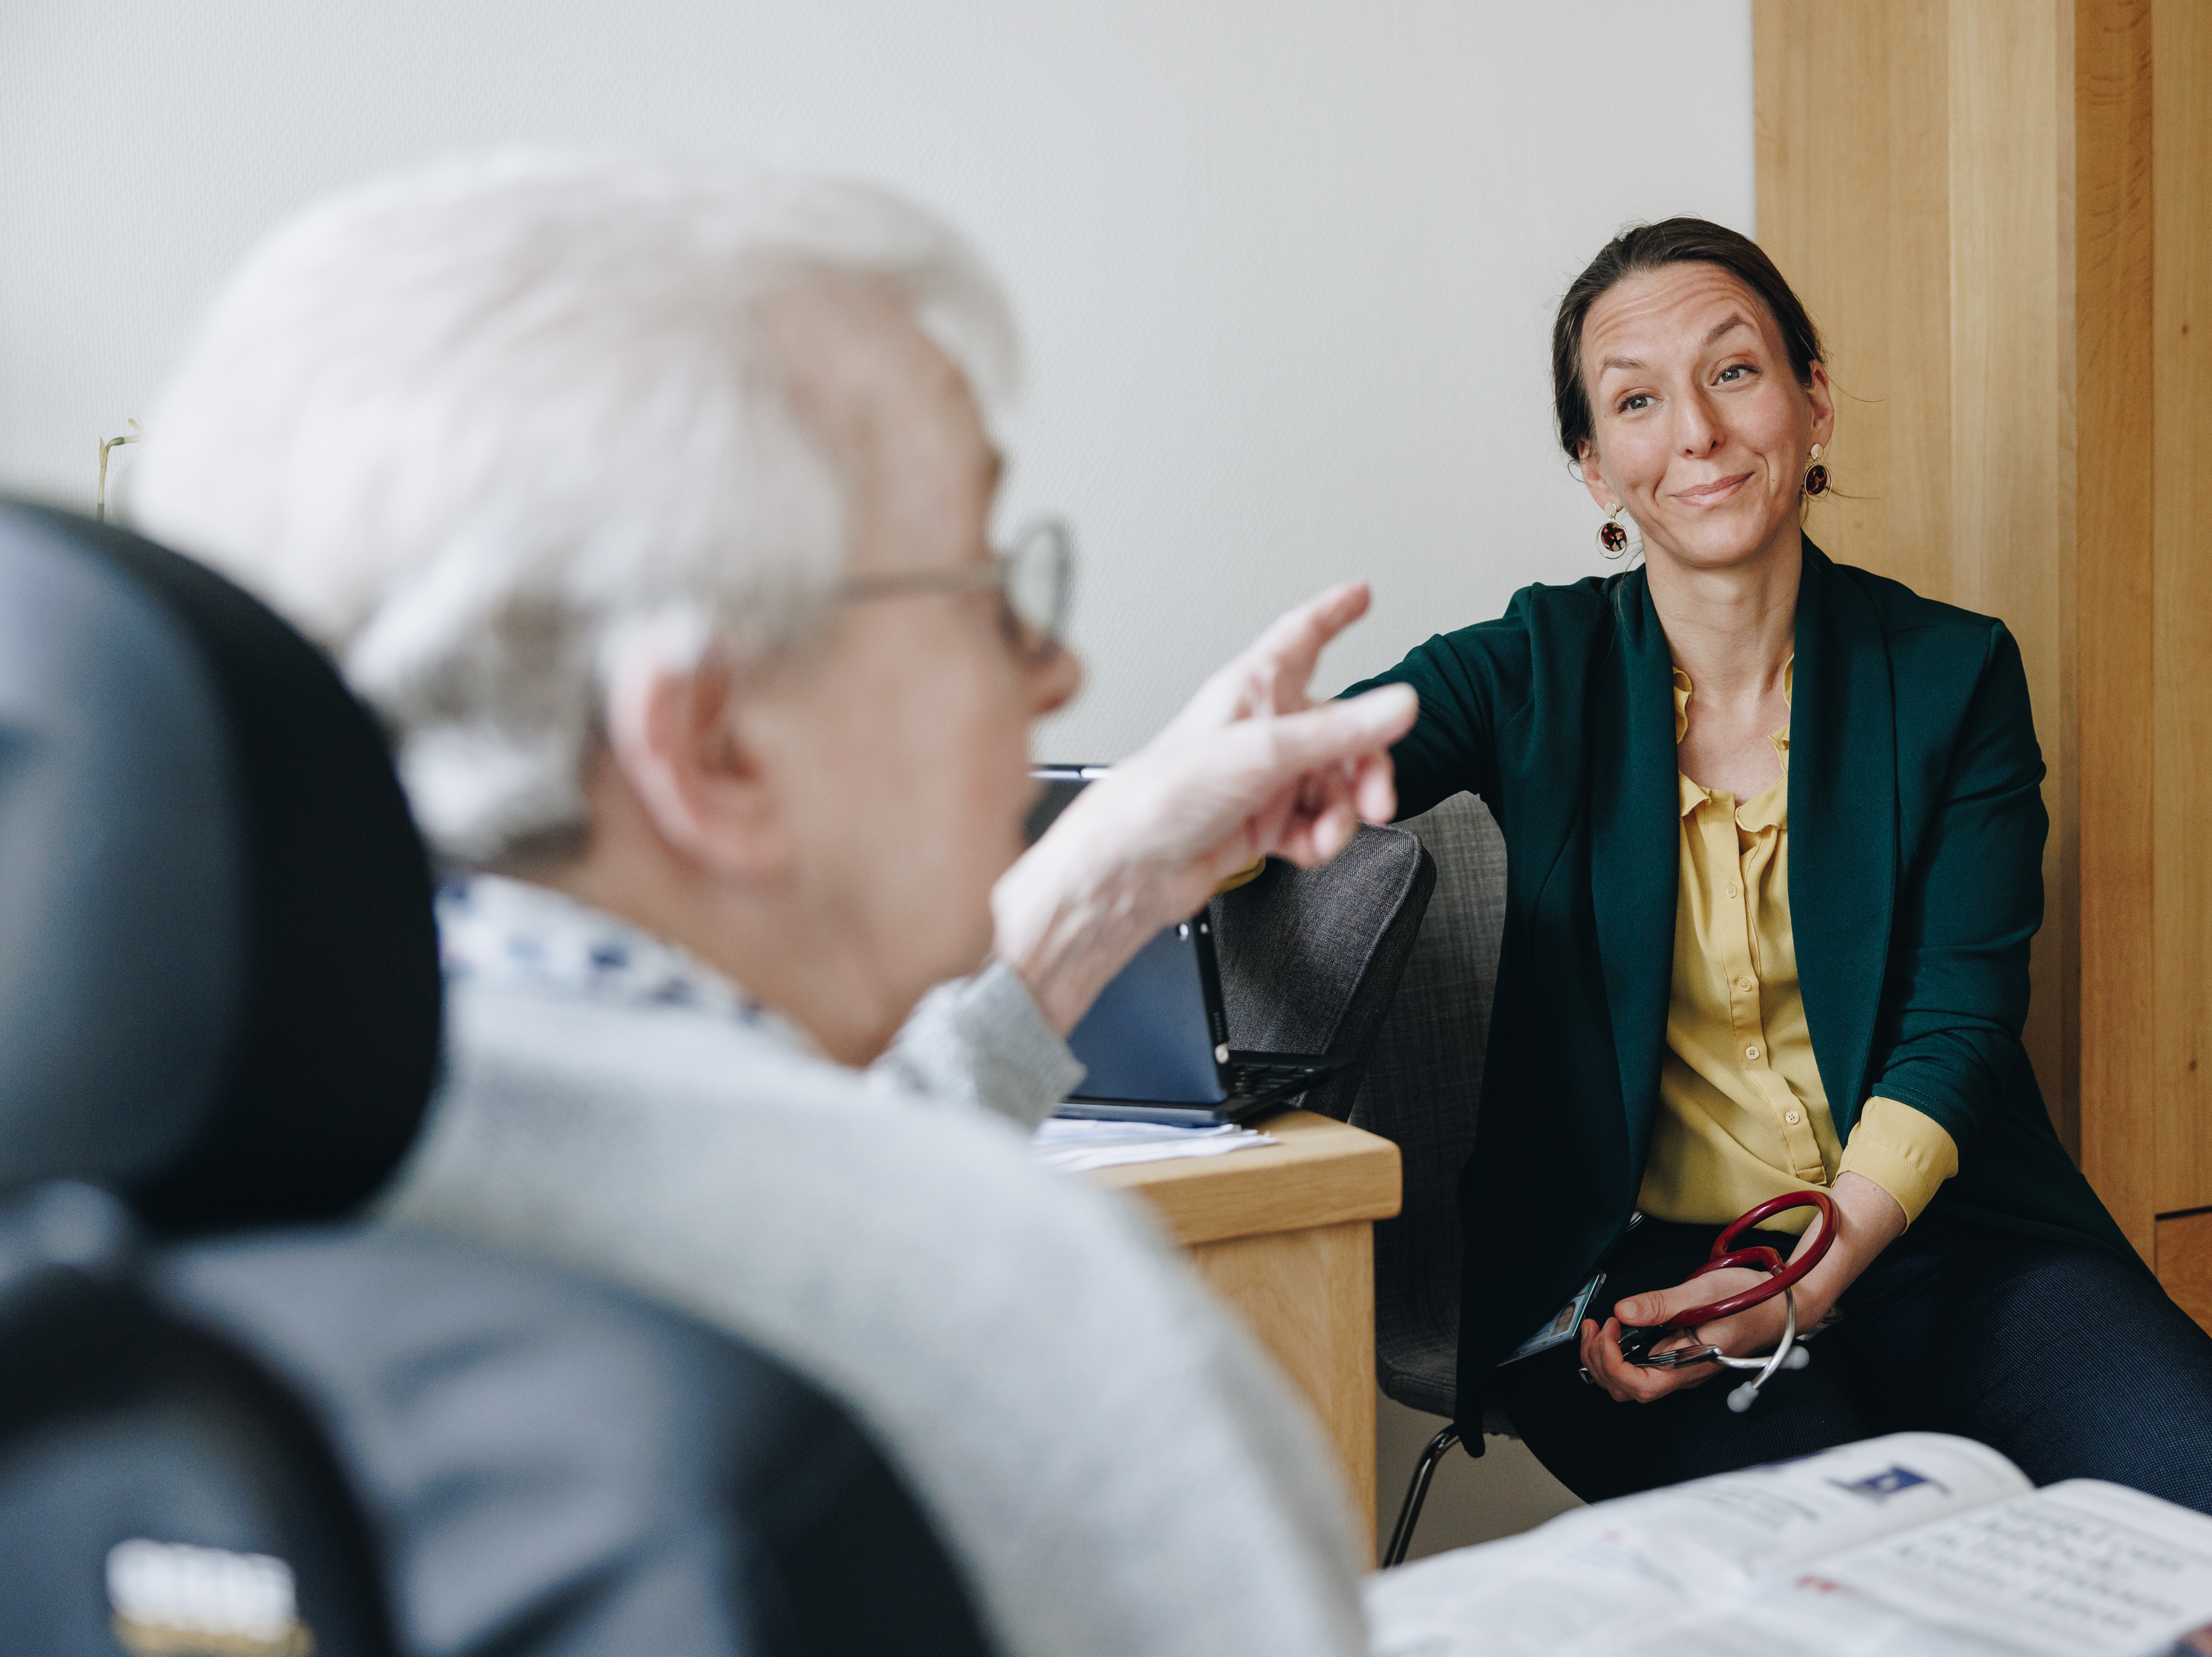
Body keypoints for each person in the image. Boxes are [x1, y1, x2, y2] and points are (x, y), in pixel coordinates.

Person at [130, 153, 1421, 1657]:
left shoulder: (161, 1180)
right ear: (715, 741)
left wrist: (1115, 869)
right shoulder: (1035, 1339)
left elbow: (750, 1176)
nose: (1057, 670)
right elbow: (840, 1234)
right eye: (985, 588)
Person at [1344, 218, 2212, 1547]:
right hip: (1646, 1259)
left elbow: (1958, 1022)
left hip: (1933, 1229)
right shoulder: (1528, 667)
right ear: (1595, 467)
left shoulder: (1955, 674)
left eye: (1734, 371)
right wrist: (1196, 797)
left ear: (1814, 397)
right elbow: (1290, 784)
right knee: (1855, 1553)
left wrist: (1812, 1276)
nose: (1697, 431)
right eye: (1637, 400)